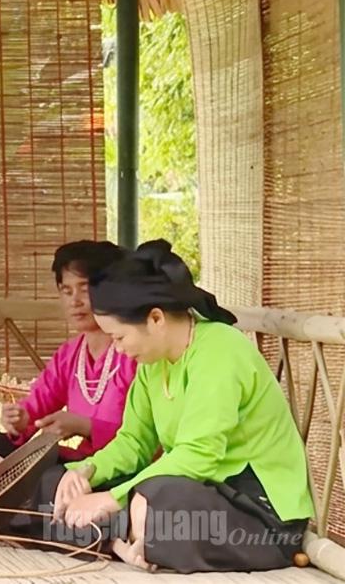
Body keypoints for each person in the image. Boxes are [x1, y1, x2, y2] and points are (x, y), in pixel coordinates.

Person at [42, 240, 313, 573]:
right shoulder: (151, 365)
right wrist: (84, 473)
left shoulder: (220, 351)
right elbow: (132, 444)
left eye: (120, 337)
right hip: (199, 491)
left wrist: (114, 498)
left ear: (155, 318)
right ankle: (121, 536)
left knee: (162, 498)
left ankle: (115, 532)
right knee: (54, 483)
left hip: (258, 516)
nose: (118, 349)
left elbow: (200, 455)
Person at [0, 241, 134, 471]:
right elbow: (36, 405)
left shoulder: (134, 353)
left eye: (85, 288)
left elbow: (148, 439)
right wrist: (20, 420)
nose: (75, 301)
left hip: (123, 468)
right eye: (67, 291)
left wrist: (86, 426)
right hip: (81, 464)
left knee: (39, 473)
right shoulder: (69, 355)